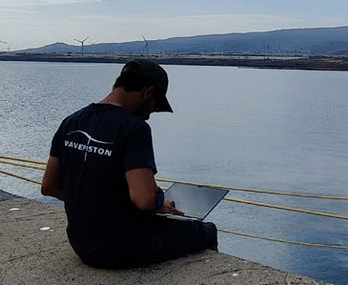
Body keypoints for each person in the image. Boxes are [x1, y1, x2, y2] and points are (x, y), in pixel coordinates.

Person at [40, 59, 217, 269]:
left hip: (81, 244)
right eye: (155, 106)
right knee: (205, 230)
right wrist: (160, 202)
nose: (150, 115)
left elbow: (49, 186)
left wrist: (96, 202)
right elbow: (144, 200)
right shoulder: (134, 128)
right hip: (120, 248)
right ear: (148, 93)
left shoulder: (71, 121)